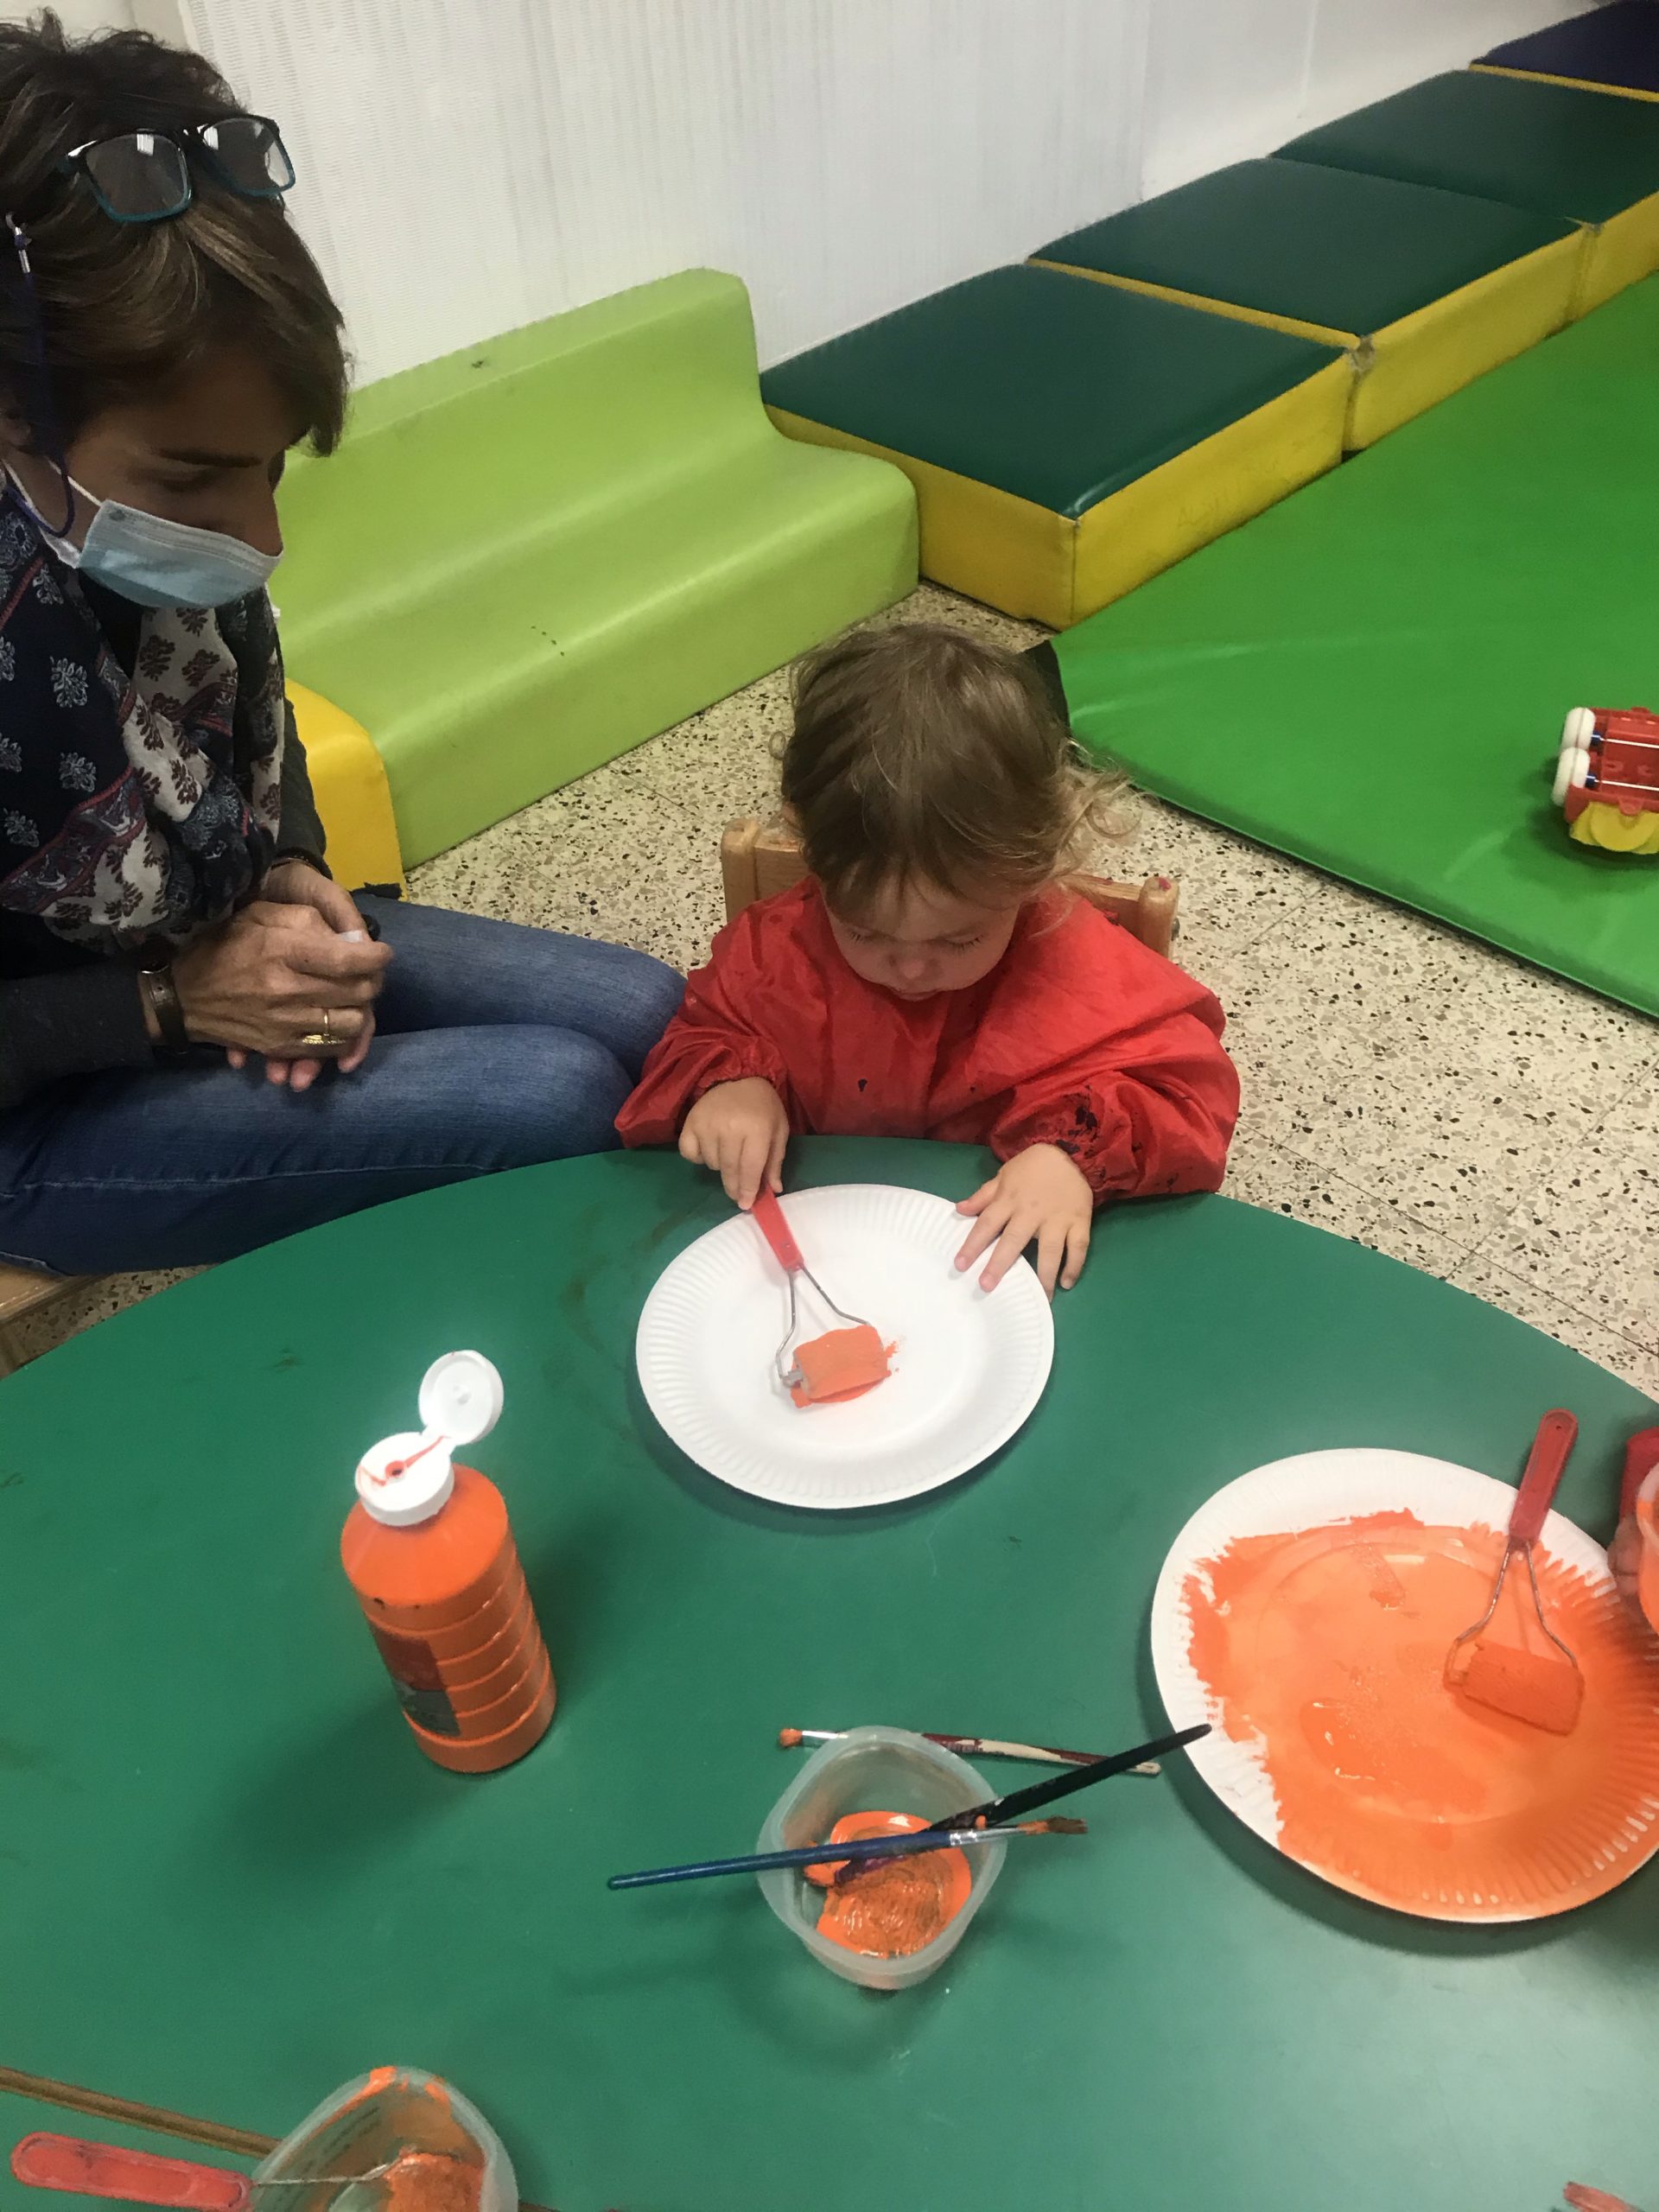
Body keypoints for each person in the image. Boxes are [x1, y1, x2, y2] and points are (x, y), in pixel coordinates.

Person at [0, 15, 683, 1277]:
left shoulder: (117, 519)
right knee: (557, 1097)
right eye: (196, 479)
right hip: (37, 1104)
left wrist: (290, 861)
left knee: (653, 1015)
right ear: (13, 418)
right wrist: (168, 1005)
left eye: (272, 470)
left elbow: (251, 724)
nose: (261, 537)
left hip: (196, 933)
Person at [617, 624, 1239, 1294]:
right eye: (865, 933)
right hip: (829, 1251)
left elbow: (1185, 1095)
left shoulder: (1081, 967)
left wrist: (1072, 1157)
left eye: (958, 940)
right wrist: (732, 1081)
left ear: (1033, 870)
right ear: (814, 855)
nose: (911, 969)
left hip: (993, 1271)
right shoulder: (777, 948)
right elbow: (707, 1028)